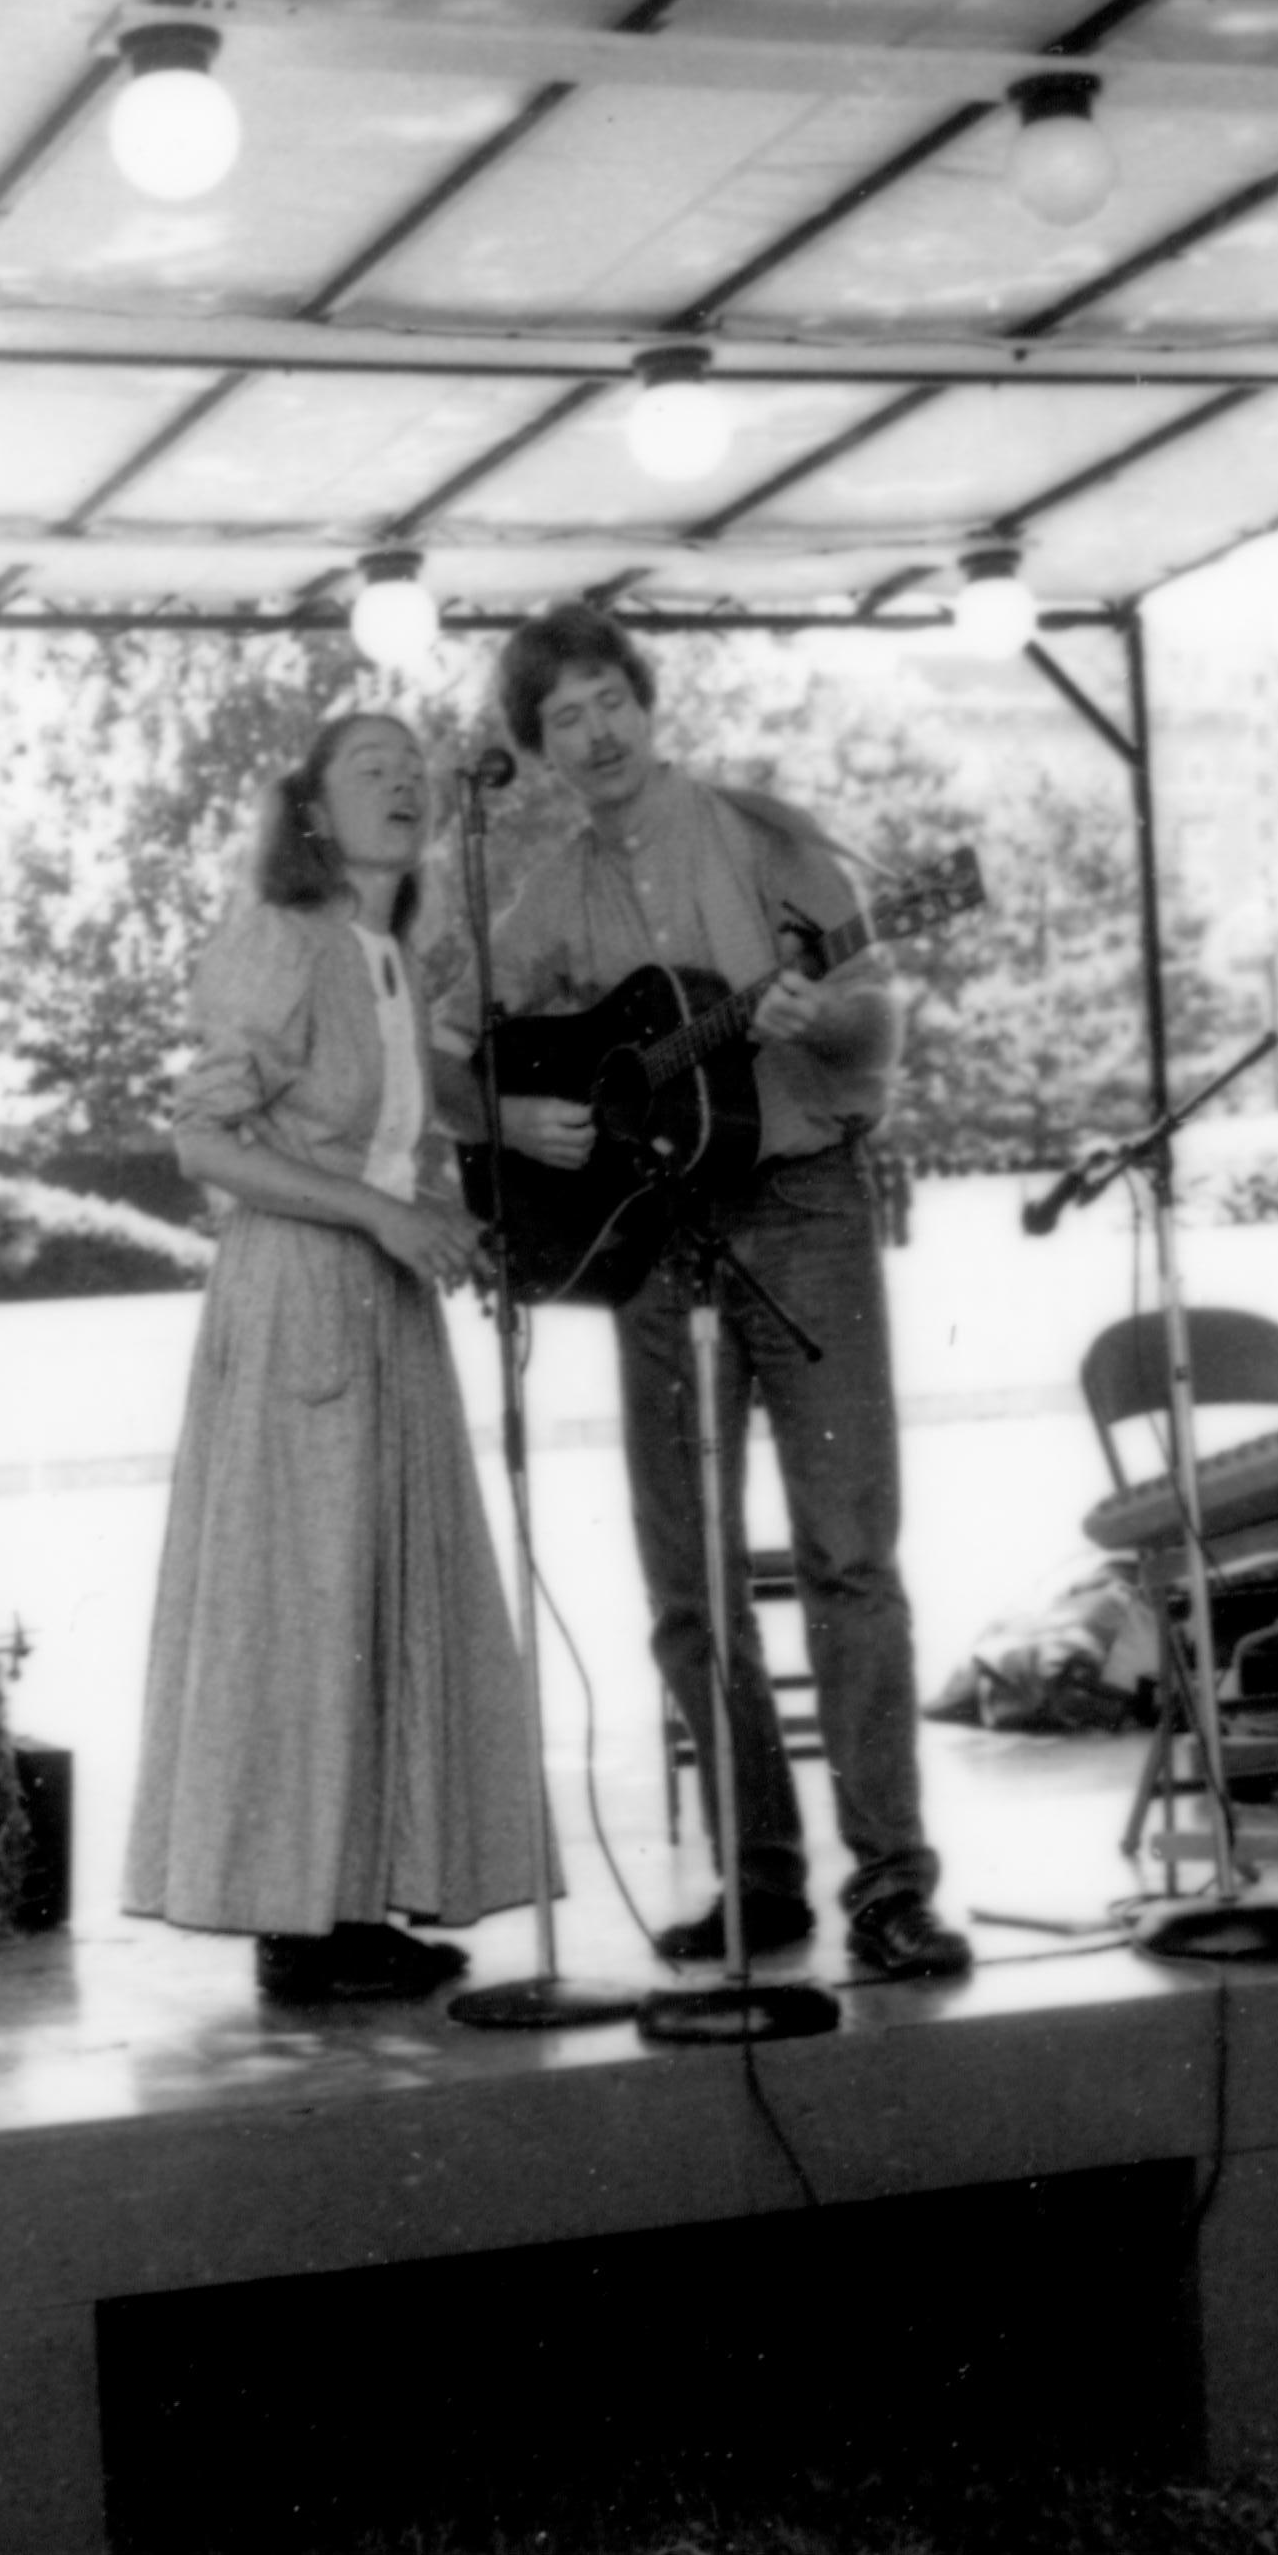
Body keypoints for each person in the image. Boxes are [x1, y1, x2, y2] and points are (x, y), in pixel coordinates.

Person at [434, 605, 969, 1981]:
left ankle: (894, 1886)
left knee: (851, 1555)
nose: (596, 733)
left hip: (803, 1207)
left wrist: (816, 1016)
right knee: (689, 1577)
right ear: (536, 750)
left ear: (647, 702)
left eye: (610, 700)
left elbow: (874, 1012)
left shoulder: (759, 834)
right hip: (653, 1236)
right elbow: (447, 1048)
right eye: (564, 719)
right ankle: (762, 1878)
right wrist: (511, 1119)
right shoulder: (541, 895)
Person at [123, 710, 546, 2006]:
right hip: (304, 1288)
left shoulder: (391, 955)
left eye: (415, 769)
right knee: (312, 1598)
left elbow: (386, 1136)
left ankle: (354, 1896)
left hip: (382, 1293)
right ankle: (298, 1921)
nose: (407, 783)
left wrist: (441, 1216)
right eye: (373, 769)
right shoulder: (279, 932)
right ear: (311, 812)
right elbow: (205, 1142)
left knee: (379, 1594)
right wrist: (382, 1214)